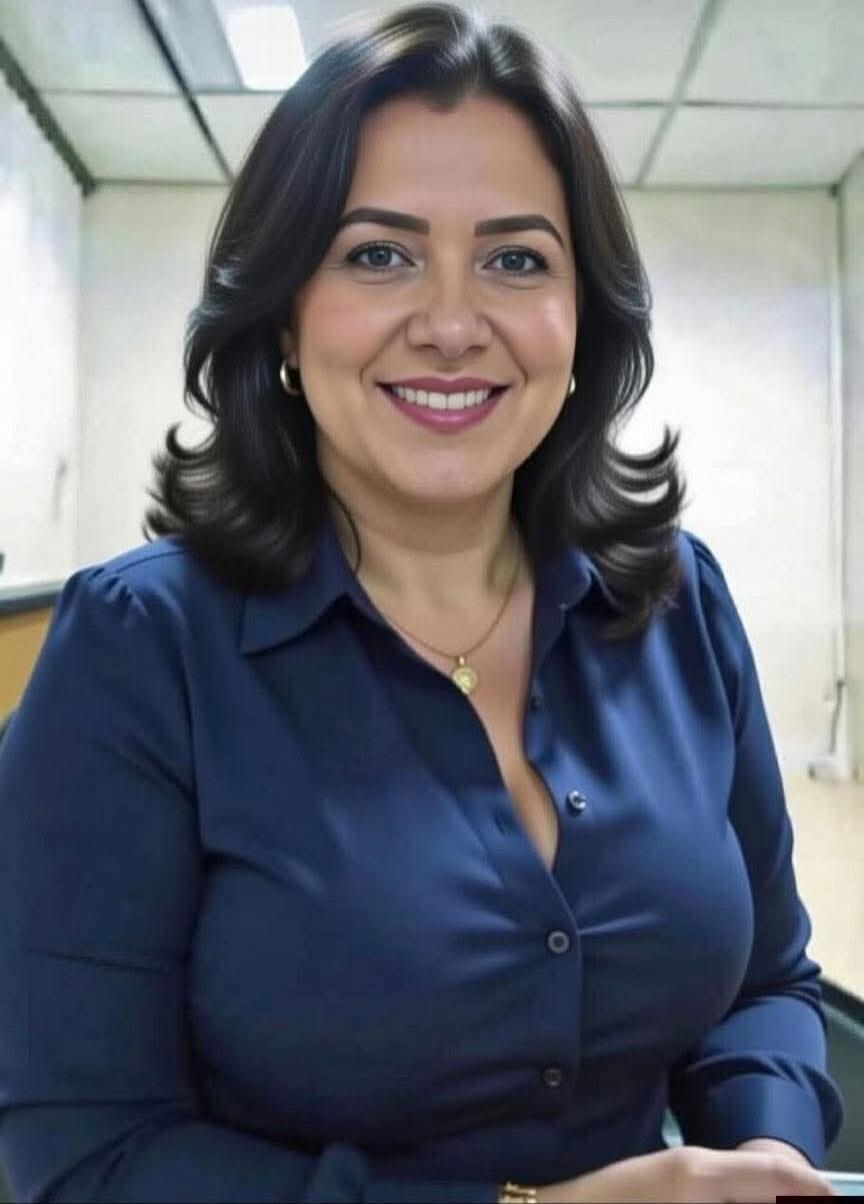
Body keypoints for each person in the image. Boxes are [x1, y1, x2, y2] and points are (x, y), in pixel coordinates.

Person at [0, 3, 845, 1201]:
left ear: (581, 317)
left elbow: (767, 977)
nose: (452, 325)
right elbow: (85, 1156)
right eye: (377, 254)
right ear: (285, 315)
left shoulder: (678, 602)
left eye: (515, 259)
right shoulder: (142, 651)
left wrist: (764, 1139)